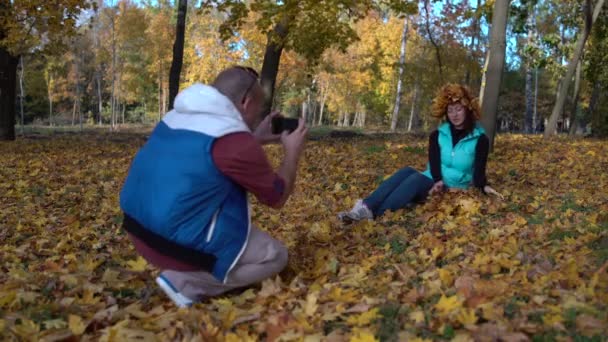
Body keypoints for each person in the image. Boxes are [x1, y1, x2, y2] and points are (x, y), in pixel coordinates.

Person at [119, 66, 308, 307]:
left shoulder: (175, 116)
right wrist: (292, 152)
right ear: (246, 102)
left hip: (138, 230)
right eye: (258, 111)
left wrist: (254, 138)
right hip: (171, 247)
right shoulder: (235, 142)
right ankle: (185, 282)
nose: (256, 118)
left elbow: (211, 155)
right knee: (276, 256)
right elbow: (277, 197)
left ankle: (183, 272)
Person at [338, 83, 501, 223]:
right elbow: (434, 161)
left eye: (459, 109)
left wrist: (483, 187)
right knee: (407, 171)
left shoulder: (480, 140)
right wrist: (437, 180)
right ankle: (365, 208)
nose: (455, 115)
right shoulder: (438, 134)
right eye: (450, 110)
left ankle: (377, 214)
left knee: (416, 179)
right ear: (445, 113)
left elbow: (479, 171)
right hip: (434, 182)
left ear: (468, 110)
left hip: (454, 188)